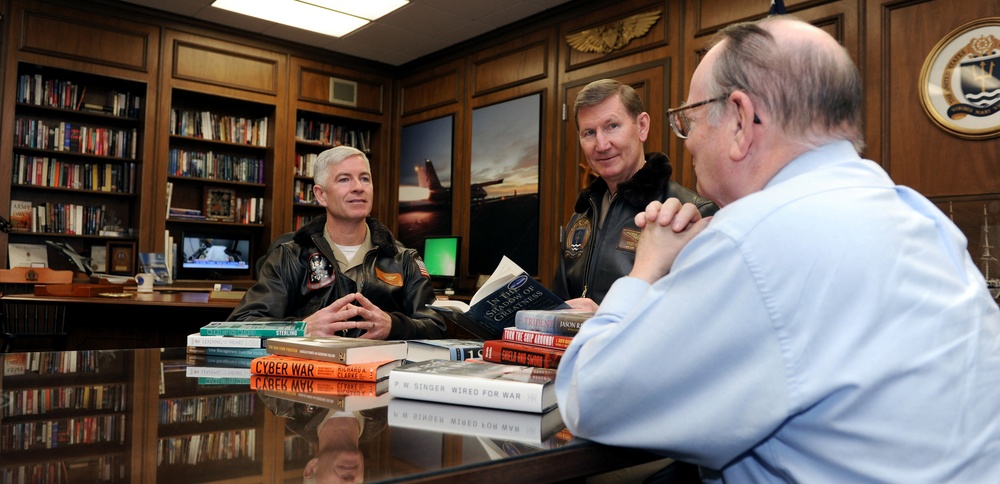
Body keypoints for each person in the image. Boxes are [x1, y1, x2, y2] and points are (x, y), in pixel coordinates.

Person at [555, 16, 1000, 482]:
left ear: (742, 120)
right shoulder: (916, 215)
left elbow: (592, 397)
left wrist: (645, 270)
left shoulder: (753, 242)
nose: (688, 144)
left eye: (689, 121)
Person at [229, 145, 447, 340]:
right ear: (321, 195)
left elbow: (436, 327)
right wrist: (302, 328)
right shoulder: (288, 256)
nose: (358, 187)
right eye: (344, 179)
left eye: (364, 178)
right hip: (308, 377)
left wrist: (394, 326)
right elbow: (240, 325)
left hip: (378, 378)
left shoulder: (404, 259)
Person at [552, 79, 717, 311]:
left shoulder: (691, 212)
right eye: (589, 132)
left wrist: (604, 319)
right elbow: (559, 303)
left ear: (642, 126)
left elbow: (701, 316)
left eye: (612, 126)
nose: (601, 144)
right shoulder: (581, 218)